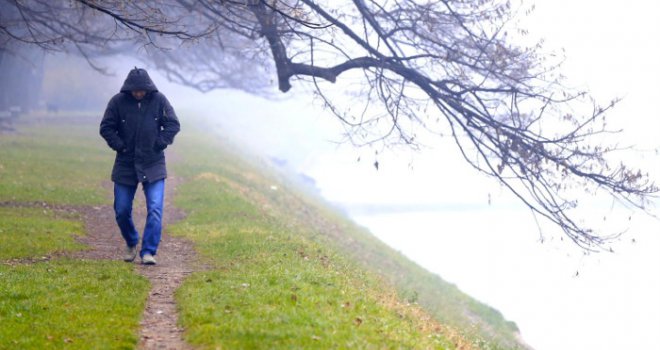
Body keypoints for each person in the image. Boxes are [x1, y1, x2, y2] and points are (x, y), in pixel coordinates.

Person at [99, 67, 180, 265]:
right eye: (135, 90)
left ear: (148, 88)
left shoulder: (159, 100)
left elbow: (173, 124)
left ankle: (148, 252)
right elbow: (106, 128)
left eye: (141, 90)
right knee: (122, 209)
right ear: (129, 89)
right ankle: (131, 240)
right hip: (125, 163)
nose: (138, 93)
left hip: (153, 163)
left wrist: (160, 142)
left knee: (155, 208)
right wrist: (119, 146)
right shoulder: (117, 102)